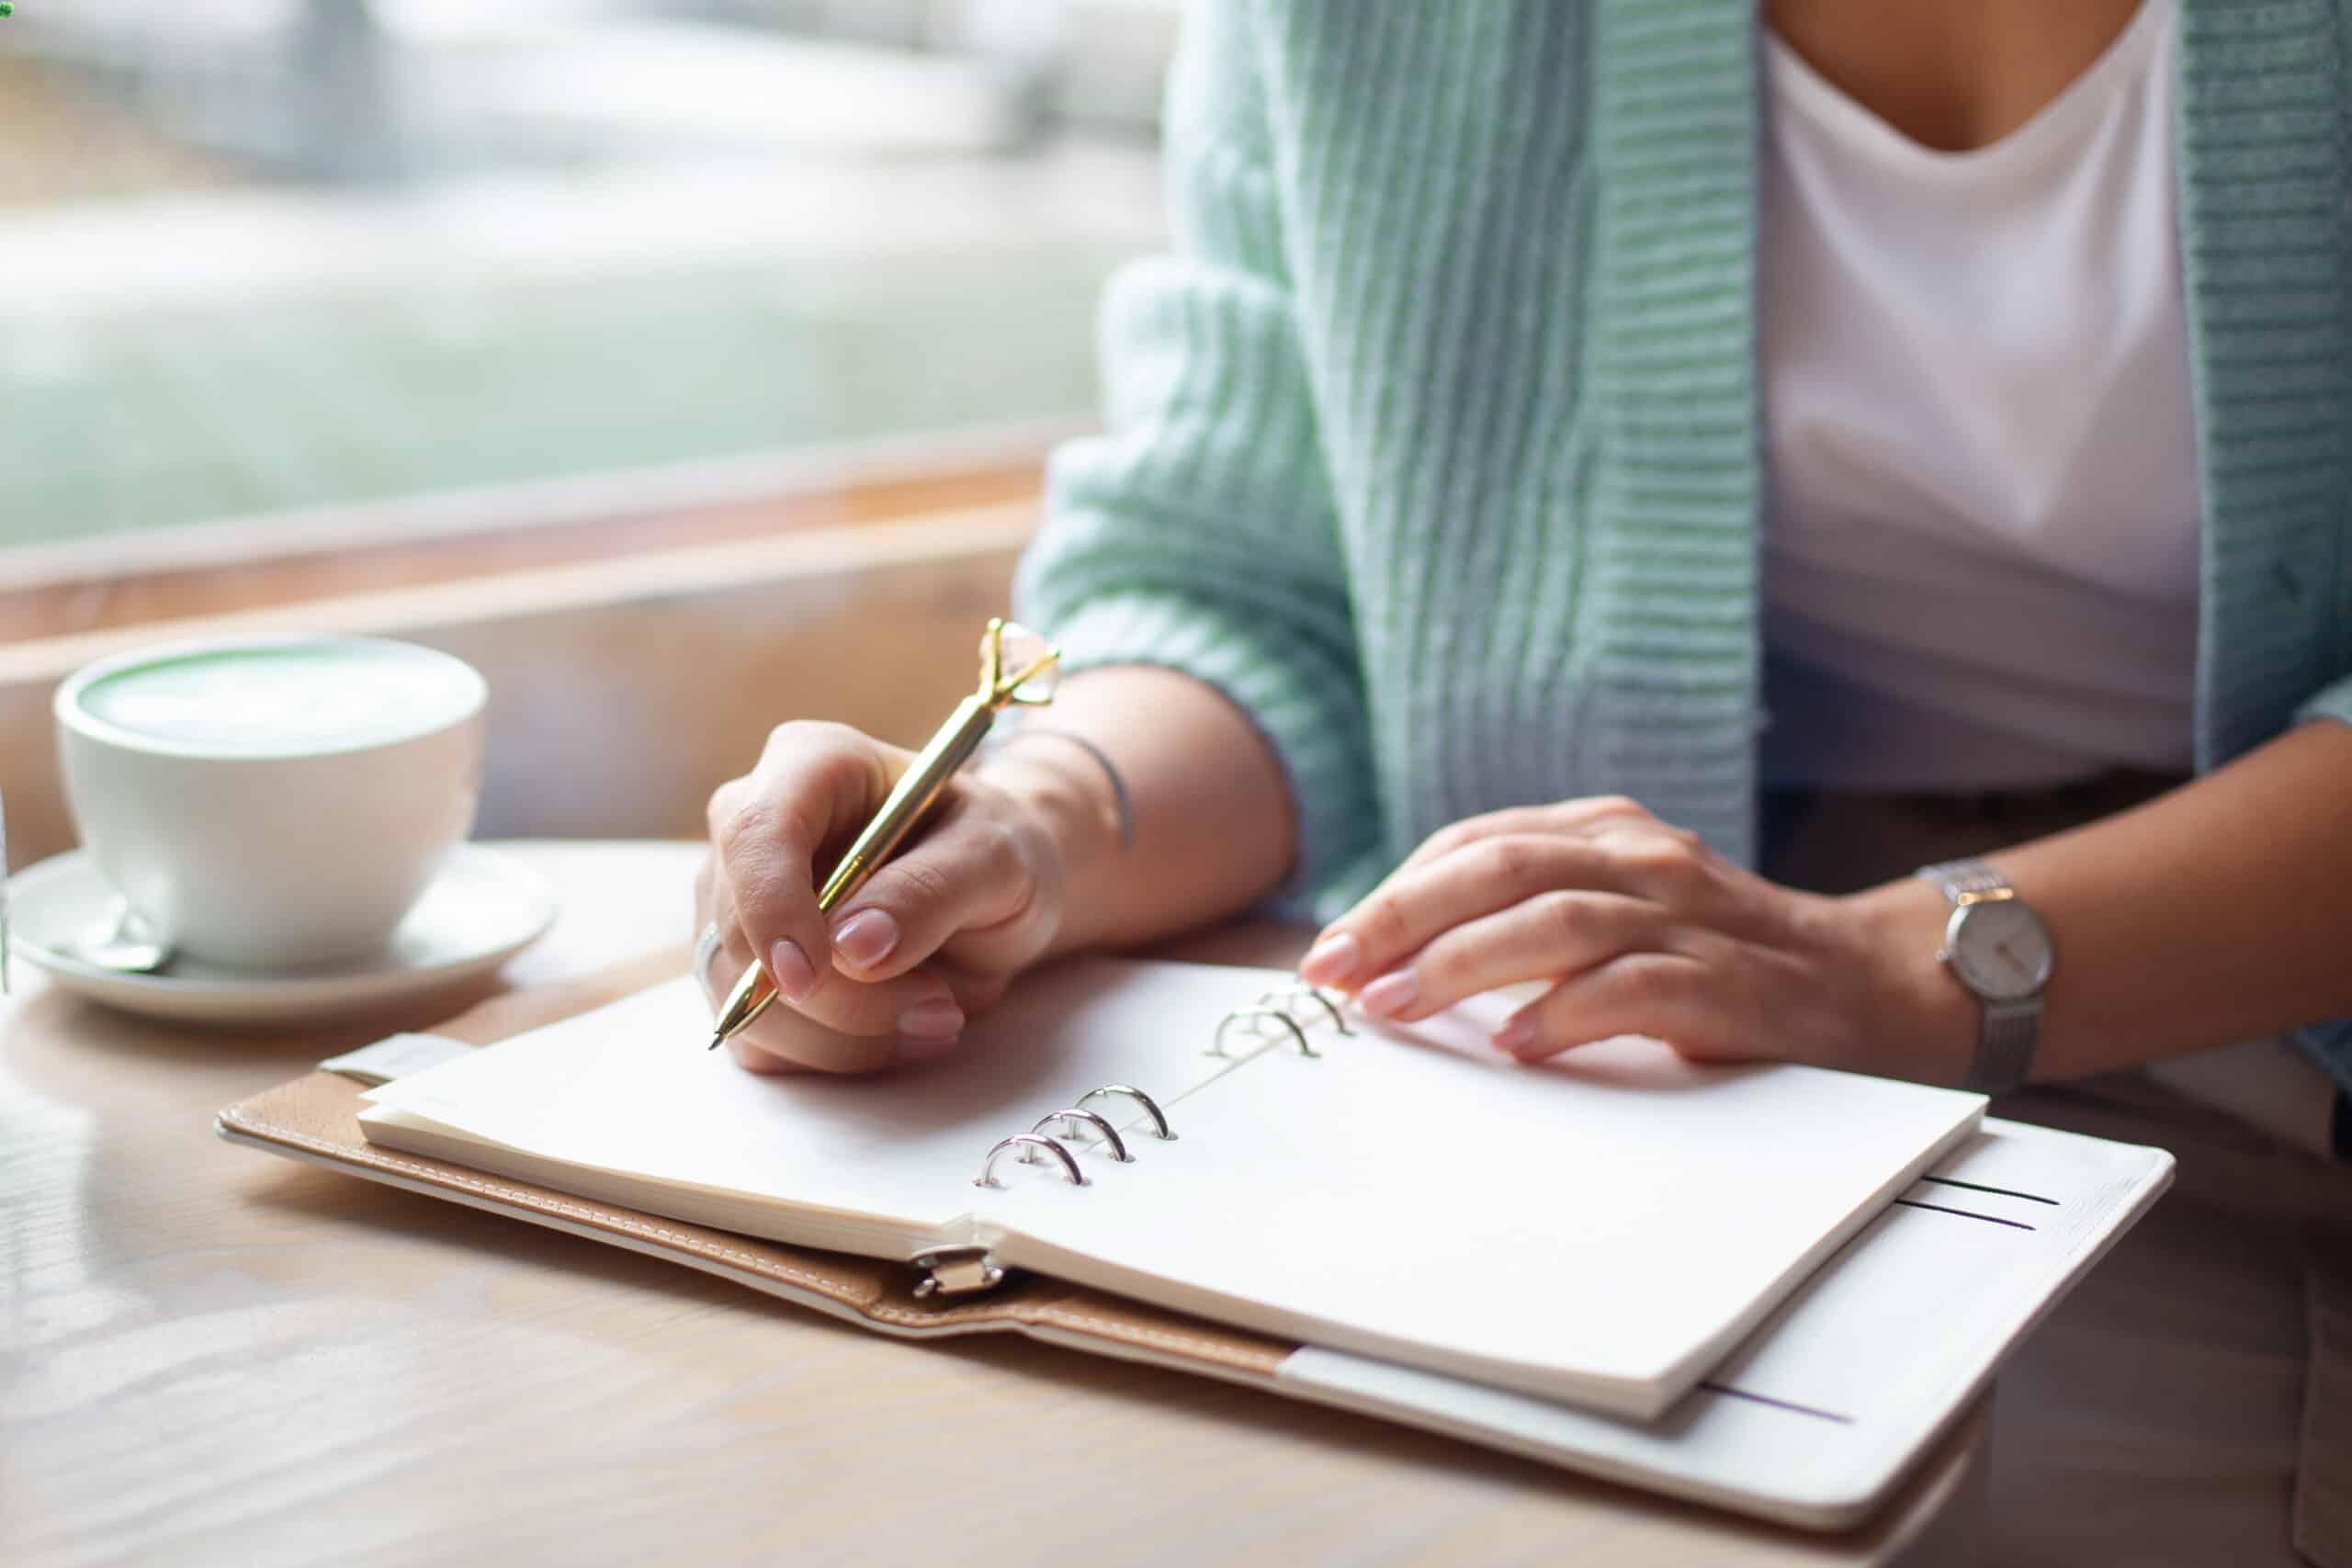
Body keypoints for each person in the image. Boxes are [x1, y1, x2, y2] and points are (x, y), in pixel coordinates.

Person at [696, 2, 2352, 1559]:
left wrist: (1887, 969)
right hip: (1673, 1068)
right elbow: (1257, 584)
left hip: (2251, 1027)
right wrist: (1034, 827)